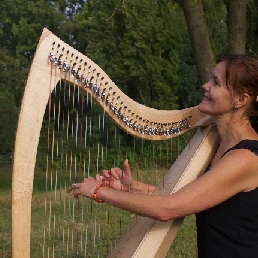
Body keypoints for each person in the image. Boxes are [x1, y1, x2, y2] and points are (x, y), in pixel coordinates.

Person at [67, 54, 258, 257]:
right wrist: (131, 188)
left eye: (216, 82)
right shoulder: (218, 142)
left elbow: (168, 208)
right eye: (210, 79)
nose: (205, 85)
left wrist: (98, 192)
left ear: (241, 100)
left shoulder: (246, 158)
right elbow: (189, 197)